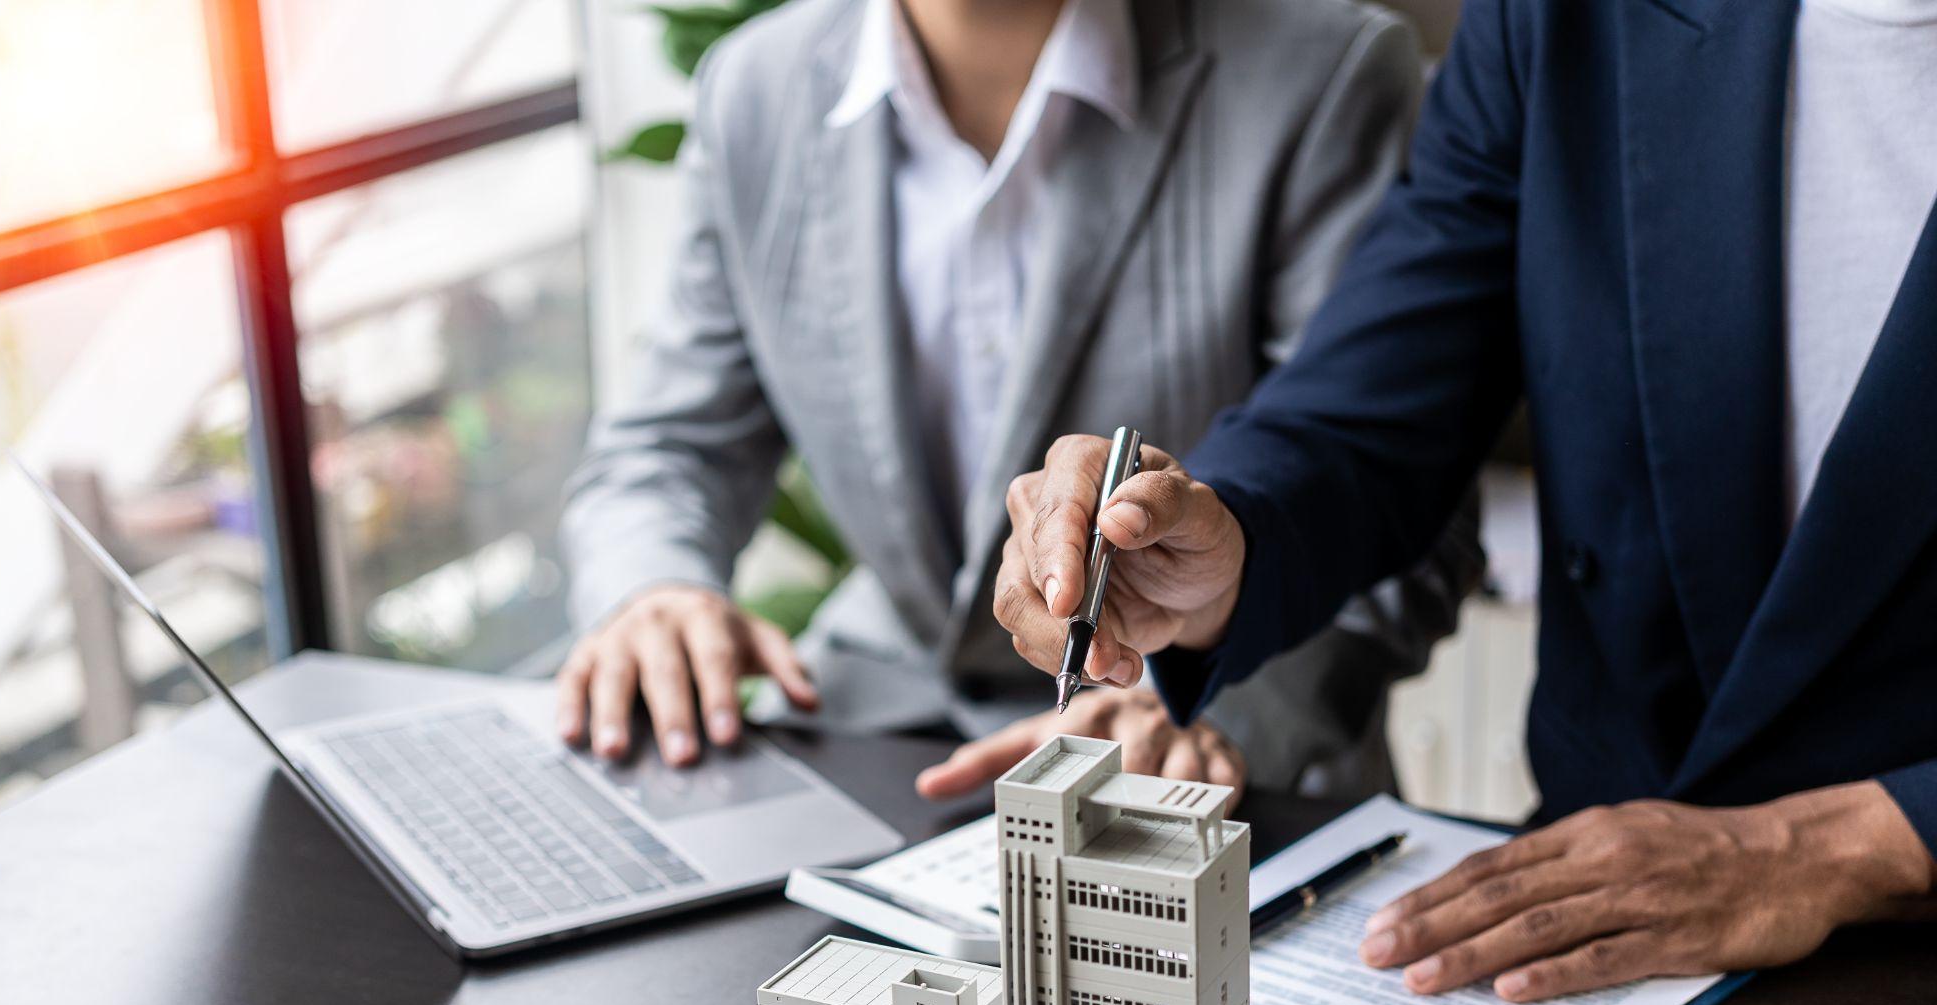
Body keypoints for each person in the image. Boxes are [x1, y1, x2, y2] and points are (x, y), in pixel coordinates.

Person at [993, 0, 1937, 1001]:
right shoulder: (1569, 18)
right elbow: (1377, 401)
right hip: (1586, 931)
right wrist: (1217, 538)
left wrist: (1843, 844)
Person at [556, 0, 1483, 806]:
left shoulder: (1320, 72)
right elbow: (669, 446)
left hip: (1198, 772)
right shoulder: (753, 86)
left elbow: (1403, 509)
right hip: (875, 744)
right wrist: (654, 589)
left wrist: (1186, 704)